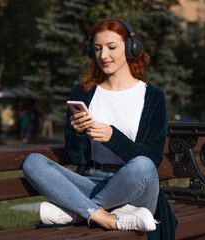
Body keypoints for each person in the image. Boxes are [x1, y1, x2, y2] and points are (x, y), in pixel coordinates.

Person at [22, 17, 177, 238]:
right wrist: (76, 132)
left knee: (143, 164)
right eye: (97, 48)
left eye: (111, 47)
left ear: (131, 48)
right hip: (91, 181)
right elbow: (75, 157)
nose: (103, 55)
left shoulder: (152, 97)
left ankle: (78, 212)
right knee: (33, 162)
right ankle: (103, 216)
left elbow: (153, 159)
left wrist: (113, 137)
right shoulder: (83, 92)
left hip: (135, 188)